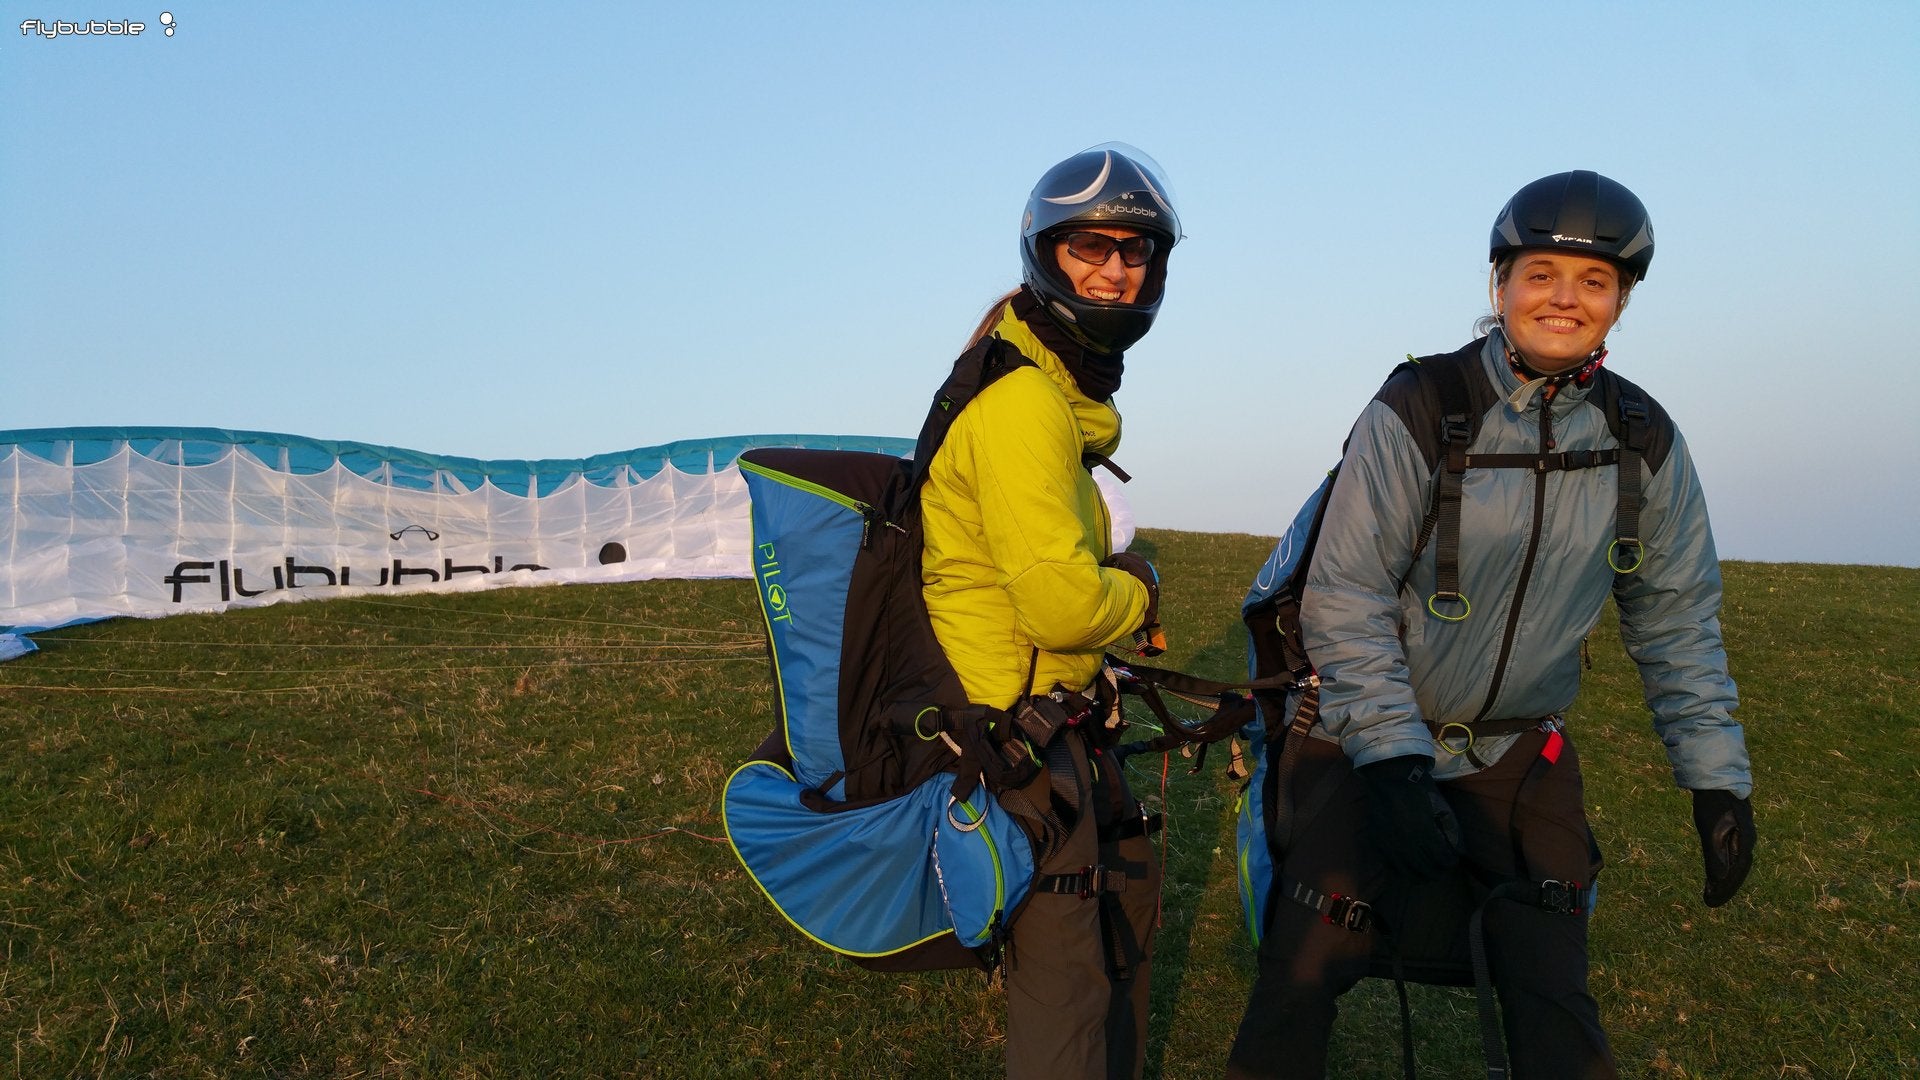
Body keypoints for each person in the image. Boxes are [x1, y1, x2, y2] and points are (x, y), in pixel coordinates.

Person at [1226, 170, 1756, 1079]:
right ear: (1498, 285)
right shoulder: (1420, 407)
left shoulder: (1644, 439)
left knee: (1557, 1005)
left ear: (1622, 301)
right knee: (1297, 985)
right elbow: (1345, 595)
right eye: (1541, 272)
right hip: (1366, 743)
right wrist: (1393, 762)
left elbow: (1676, 622)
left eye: (1594, 281)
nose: (1565, 299)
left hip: (1520, 758)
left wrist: (1716, 782)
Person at [919, 144, 1179, 1079]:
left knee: (1112, 941)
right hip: (1015, 740)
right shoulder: (1024, 404)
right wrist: (1141, 587)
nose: (1114, 269)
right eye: (1089, 247)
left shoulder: (1048, 397)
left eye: (1133, 250)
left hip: (1052, 724)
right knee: (1065, 996)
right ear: (1045, 254)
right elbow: (1065, 606)